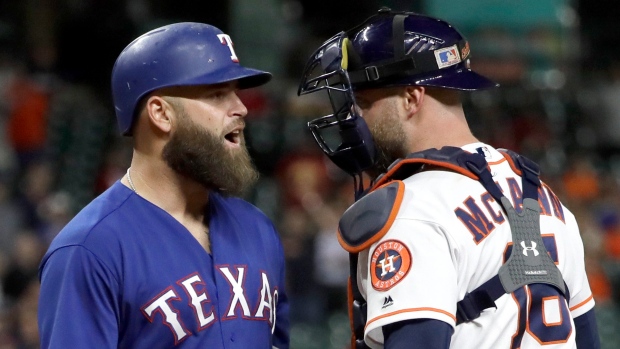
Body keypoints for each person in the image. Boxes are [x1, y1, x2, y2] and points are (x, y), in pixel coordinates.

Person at [298, 8, 600, 349]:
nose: (355, 116)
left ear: (411, 98)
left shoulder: (413, 209)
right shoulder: (547, 198)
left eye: (364, 101)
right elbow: (587, 338)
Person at [38, 22, 289, 348]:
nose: (240, 108)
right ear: (160, 113)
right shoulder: (89, 250)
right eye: (217, 94)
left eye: (237, 92)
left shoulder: (257, 228)